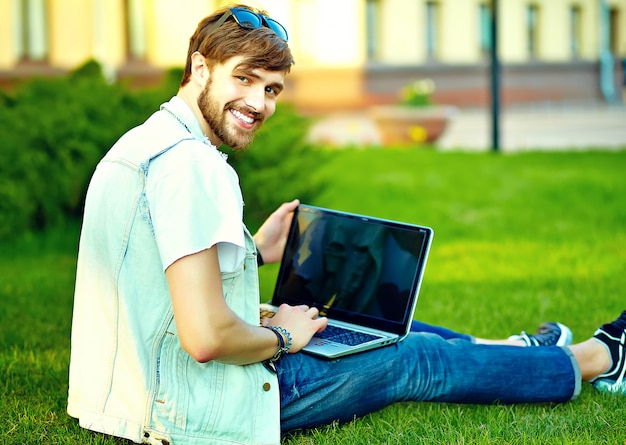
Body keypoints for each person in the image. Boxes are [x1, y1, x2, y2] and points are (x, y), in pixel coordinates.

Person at [67, 4, 626, 445]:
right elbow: (208, 338)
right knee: (411, 359)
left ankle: (514, 349)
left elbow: (157, 274)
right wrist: (284, 336)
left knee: (380, 326)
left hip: (125, 399)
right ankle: (597, 358)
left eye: (271, 89)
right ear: (198, 69)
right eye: (244, 79)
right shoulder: (194, 167)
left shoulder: (143, 145)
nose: (258, 102)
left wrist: (254, 252)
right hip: (185, 410)